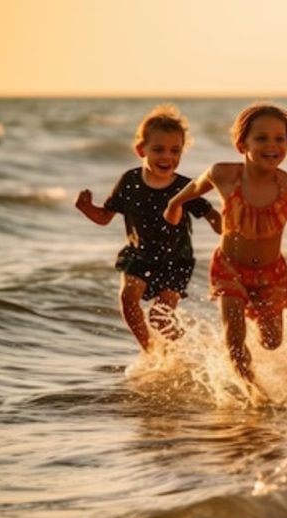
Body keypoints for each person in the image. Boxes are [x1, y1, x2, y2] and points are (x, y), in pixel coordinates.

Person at [164, 103, 287, 398]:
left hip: (271, 273)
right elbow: (194, 188)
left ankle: (254, 342)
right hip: (229, 268)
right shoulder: (224, 175)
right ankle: (255, 396)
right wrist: (174, 204)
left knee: (271, 341)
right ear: (243, 144)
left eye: (280, 139)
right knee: (234, 341)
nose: (272, 145)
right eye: (261, 138)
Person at [75, 104, 221, 353]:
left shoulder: (186, 187)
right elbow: (105, 217)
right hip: (139, 255)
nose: (167, 156)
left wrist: (234, 230)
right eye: (158, 149)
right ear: (141, 150)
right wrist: (88, 209)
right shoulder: (129, 182)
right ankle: (151, 352)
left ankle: (186, 353)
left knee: (160, 318)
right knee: (127, 300)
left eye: (175, 150)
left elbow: (212, 216)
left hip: (176, 259)